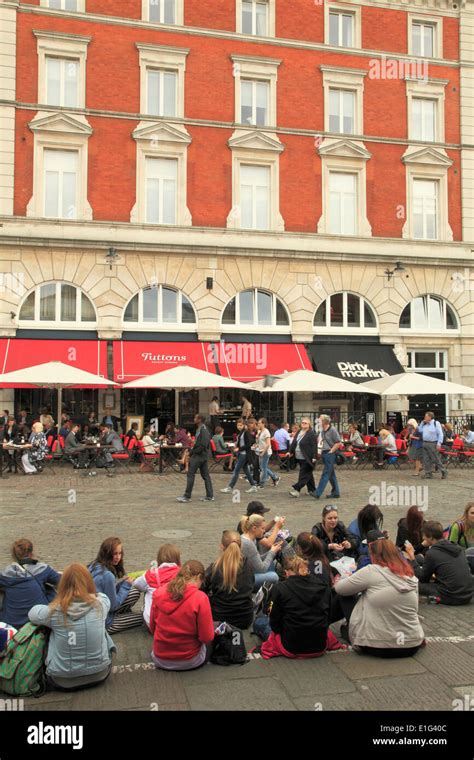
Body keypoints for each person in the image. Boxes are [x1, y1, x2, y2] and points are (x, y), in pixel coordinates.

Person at [335, 531, 425, 657]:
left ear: (372, 553)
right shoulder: (409, 574)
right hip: (411, 644)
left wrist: (340, 579)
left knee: (348, 595)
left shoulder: (371, 571)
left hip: (377, 645)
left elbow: (340, 589)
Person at [28, 563, 116, 691]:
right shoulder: (101, 605)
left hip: (61, 680)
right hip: (100, 673)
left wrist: (56, 602)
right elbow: (102, 596)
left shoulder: (53, 612)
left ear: (62, 585)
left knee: (47, 629)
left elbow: (32, 613)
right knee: (101, 628)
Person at [253, 556, 335, 659]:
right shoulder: (324, 586)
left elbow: (274, 619)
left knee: (260, 621)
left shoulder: (280, 588)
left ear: (286, 573)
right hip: (319, 645)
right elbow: (329, 617)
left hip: (291, 646)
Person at [149, 560, 215, 671]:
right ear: (198, 577)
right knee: (212, 638)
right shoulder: (200, 598)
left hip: (160, 658)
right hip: (189, 660)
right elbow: (206, 637)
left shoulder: (159, 593)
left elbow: (152, 627)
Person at [405, 521, 473, 605]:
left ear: (431, 537)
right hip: (467, 594)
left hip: (452, 596)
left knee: (413, 583)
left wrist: (411, 557)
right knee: (419, 558)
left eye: (424, 535)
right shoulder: (457, 548)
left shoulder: (432, 553)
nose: (423, 538)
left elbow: (422, 578)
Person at [0, 539, 61, 628]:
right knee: (48, 589)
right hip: (38, 623)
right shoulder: (42, 569)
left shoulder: (5, 574)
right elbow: (62, 581)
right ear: (31, 552)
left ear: (14, 555)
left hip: (12, 623)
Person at [88, 538, 143, 633]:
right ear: (107, 554)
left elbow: (108, 592)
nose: (118, 557)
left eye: (120, 553)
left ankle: (122, 614)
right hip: (106, 622)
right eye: (115, 554)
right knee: (143, 617)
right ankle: (121, 616)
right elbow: (113, 605)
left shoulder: (94, 565)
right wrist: (125, 585)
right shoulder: (107, 575)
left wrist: (122, 584)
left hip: (98, 610)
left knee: (134, 592)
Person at [203, 531, 254, 629]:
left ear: (221, 546)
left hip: (220, 618)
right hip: (245, 618)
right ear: (241, 546)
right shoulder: (248, 565)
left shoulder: (215, 568)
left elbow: (201, 588)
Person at [132, 545, 181, 630]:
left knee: (146, 588)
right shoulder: (182, 574)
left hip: (153, 622)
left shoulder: (151, 574)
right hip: (176, 623)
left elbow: (137, 584)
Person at [177, 414, 214, 503]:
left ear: (199, 419)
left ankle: (187, 496)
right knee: (206, 476)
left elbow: (203, 444)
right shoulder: (200, 429)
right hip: (201, 455)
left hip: (199, 456)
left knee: (190, 475)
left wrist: (193, 452)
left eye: (195, 418)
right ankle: (210, 495)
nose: (194, 419)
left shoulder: (203, 430)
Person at [240, 514, 282, 590]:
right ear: (254, 528)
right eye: (262, 528)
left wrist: (272, 551)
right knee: (275, 577)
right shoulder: (248, 544)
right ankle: (269, 588)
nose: (264, 531)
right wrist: (272, 552)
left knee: (270, 562)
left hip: (248, 570)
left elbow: (257, 558)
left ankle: (269, 586)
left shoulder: (250, 538)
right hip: (243, 579)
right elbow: (262, 569)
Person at [220, 418, 258, 495]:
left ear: (244, 425)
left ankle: (230, 487)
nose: (239, 426)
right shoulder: (242, 432)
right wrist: (234, 445)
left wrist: (238, 448)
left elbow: (248, 445)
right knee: (246, 471)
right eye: (238, 425)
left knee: (236, 471)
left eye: (241, 425)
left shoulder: (246, 433)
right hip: (242, 454)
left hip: (244, 455)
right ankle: (254, 486)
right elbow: (242, 443)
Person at [312, 414, 341, 500]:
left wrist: (330, 452)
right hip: (325, 453)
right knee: (331, 474)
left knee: (325, 473)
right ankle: (336, 492)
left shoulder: (332, 430)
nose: (318, 421)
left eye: (320, 420)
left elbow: (338, 442)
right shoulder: (322, 430)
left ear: (324, 422)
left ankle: (318, 492)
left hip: (330, 454)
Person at [347, 504, 385, 569]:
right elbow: (362, 551)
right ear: (369, 520)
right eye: (376, 520)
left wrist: (381, 537)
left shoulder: (371, 523)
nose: (376, 522)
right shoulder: (353, 530)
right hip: (359, 557)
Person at [288, 417, 317, 497]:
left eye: (306, 423)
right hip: (298, 457)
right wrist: (289, 451)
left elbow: (314, 446)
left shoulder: (311, 434)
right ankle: (312, 490)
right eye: (303, 423)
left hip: (307, 458)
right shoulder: (299, 432)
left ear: (309, 425)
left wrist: (314, 457)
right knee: (308, 474)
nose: (304, 424)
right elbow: (294, 442)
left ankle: (297, 490)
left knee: (303, 475)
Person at [418, 411, 447, 480]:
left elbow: (440, 434)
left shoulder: (435, 423)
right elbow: (420, 430)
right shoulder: (425, 424)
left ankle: (443, 471)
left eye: (426, 416)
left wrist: (439, 443)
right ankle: (428, 473)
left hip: (432, 443)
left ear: (430, 417)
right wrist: (422, 423)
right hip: (425, 442)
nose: (424, 418)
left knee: (435, 459)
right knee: (426, 459)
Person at [448, 503, 474, 573]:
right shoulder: (458, 526)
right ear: (466, 514)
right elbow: (450, 548)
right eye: (472, 513)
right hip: (459, 560)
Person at [255, 417, 280, 488]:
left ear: (264, 424)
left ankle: (262, 483)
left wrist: (263, 452)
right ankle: (275, 478)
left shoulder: (266, 432)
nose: (258, 424)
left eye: (259, 423)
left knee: (263, 468)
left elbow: (268, 444)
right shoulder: (260, 432)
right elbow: (259, 442)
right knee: (263, 467)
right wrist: (256, 443)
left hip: (266, 452)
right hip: (260, 451)